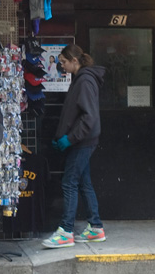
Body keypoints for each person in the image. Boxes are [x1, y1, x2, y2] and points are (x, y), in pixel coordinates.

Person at [43, 44, 107, 249]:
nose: (61, 66)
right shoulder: (80, 79)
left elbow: (88, 117)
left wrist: (69, 139)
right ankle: (95, 227)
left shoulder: (85, 81)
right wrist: (64, 137)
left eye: (63, 62)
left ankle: (66, 231)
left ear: (75, 61)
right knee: (82, 182)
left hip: (82, 142)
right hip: (81, 141)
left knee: (69, 182)